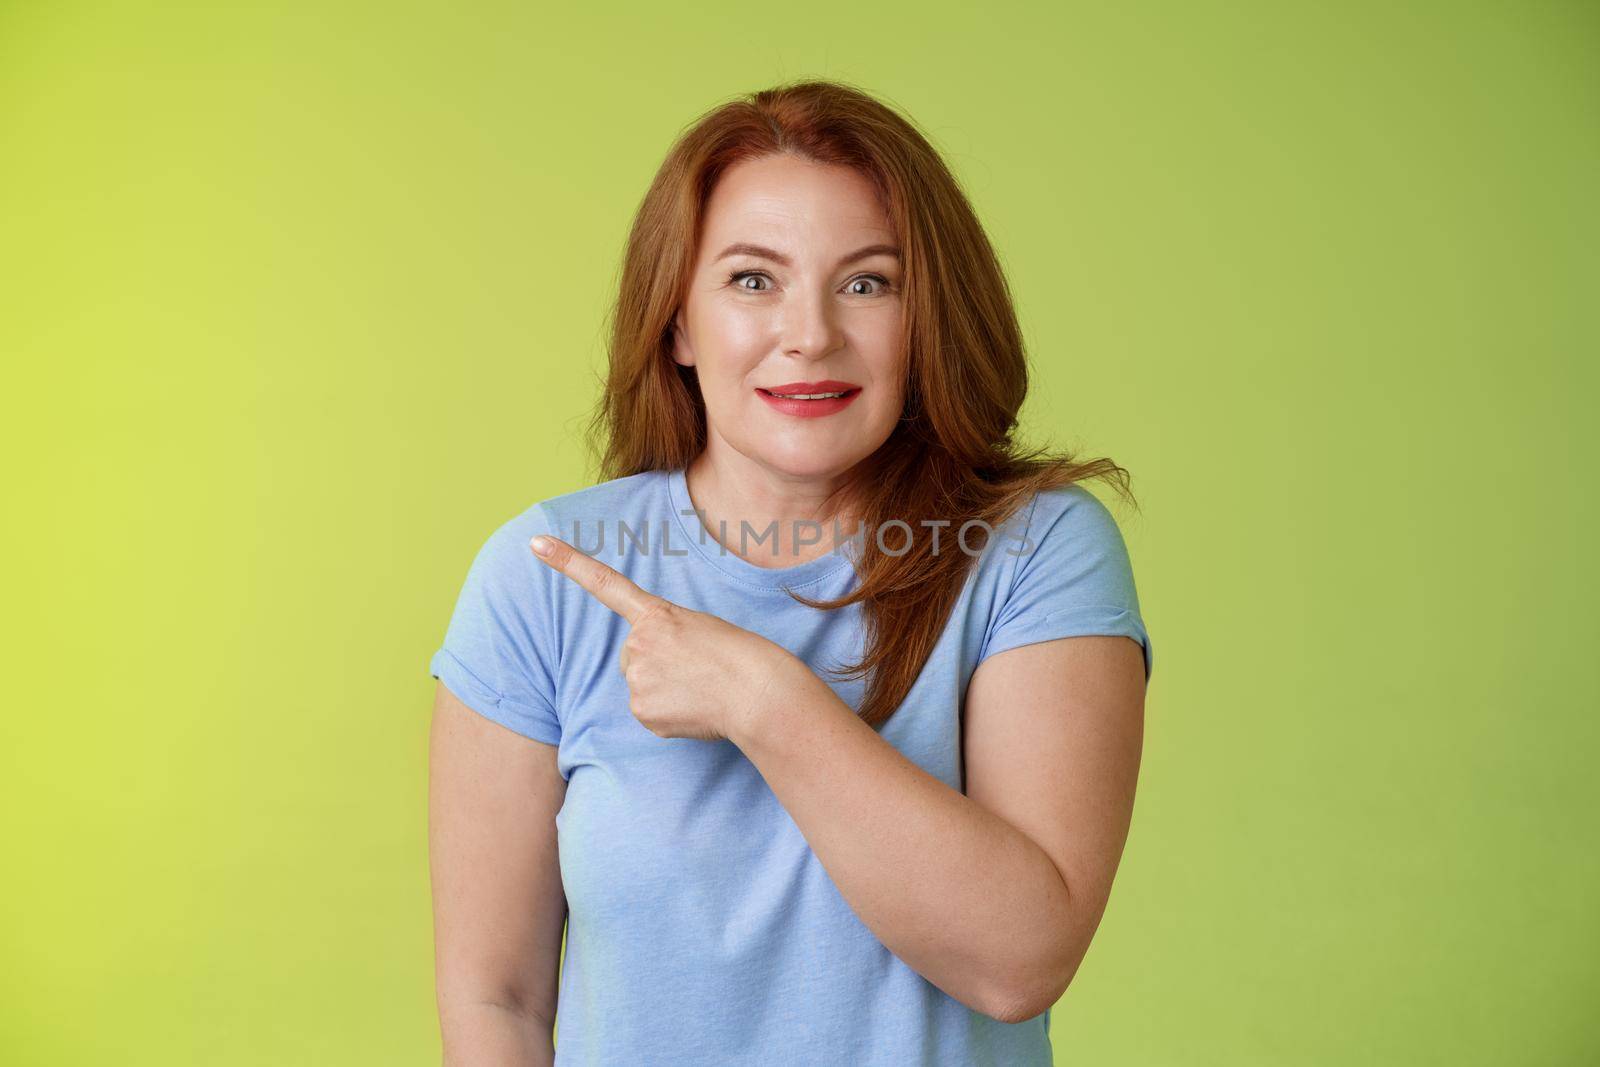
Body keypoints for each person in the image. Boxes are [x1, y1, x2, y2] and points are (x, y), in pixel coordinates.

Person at [427, 78, 1153, 1066]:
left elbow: (1016, 960)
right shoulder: (547, 574)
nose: (809, 333)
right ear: (677, 322)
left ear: (925, 314)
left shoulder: (1034, 550)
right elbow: (495, 996)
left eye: (867, 282)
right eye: (752, 280)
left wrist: (762, 698)